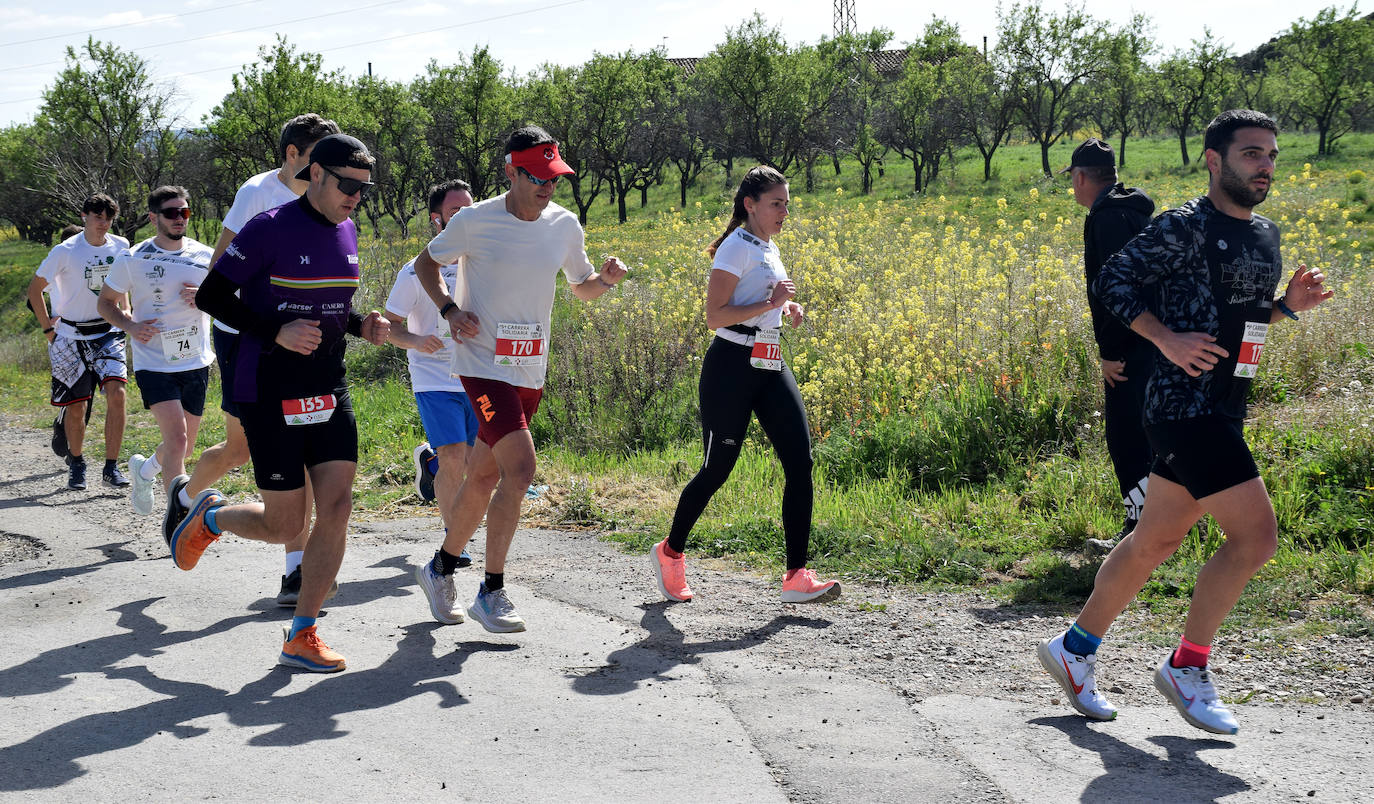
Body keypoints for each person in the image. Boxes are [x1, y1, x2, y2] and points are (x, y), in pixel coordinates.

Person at [1037, 110, 1333, 735]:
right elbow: (1111, 282)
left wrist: (1286, 307)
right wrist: (1164, 338)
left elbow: (1244, 318)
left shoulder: (1266, 234)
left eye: (1272, 155)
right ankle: (1187, 665)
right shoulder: (1183, 227)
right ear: (1214, 159)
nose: (1265, 166)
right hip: (1183, 405)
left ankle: (1074, 650)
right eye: (1252, 154)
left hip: (1225, 404)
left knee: (1155, 540)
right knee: (1256, 539)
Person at [171, 133, 390, 672]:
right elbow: (212, 296)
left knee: (337, 507)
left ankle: (303, 633)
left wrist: (366, 325)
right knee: (286, 526)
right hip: (269, 388)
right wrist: (277, 330)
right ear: (314, 173)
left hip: (328, 386)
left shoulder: (346, 230)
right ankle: (211, 519)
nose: (356, 197)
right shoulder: (268, 228)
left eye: (364, 189)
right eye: (347, 185)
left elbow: (335, 307)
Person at [410, 125, 627, 632]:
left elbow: (582, 287)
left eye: (556, 177)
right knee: (522, 470)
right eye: (538, 176)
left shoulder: (564, 225)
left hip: (530, 365)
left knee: (485, 476)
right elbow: (426, 262)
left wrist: (607, 281)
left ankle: (439, 568)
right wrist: (448, 307)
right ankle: (493, 589)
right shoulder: (473, 221)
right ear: (511, 172)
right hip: (483, 365)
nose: (549, 187)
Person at [650, 166, 840, 606]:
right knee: (718, 468)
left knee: (800, 460)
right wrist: (770, 302)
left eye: (788, 204)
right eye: (777, 203)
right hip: (731, 364)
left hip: (769, 360)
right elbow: (715, 316)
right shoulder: (734, 248)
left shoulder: (768, 246)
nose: (785, 212)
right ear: (750, 204)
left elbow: (763, 301)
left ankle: (796, 575)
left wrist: (784, 309)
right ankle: (670, 551)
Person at [180, 113, 341, 607]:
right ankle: (190, 502)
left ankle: (296, 572)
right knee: (239, 451)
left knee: (306, 454)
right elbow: (219, 275)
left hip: (304, 349)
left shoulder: (334, 204)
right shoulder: (259, 194)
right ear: (293, 156)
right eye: (317, 158)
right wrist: (271, 326)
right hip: (246, 341)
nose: (324, 170)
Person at [385, 180, 478, 603]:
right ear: (436, 219)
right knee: (455, 458)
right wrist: (415, 341)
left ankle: (429, 461)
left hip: (478, 375)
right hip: (434, 379)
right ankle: (451, 540)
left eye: (470, 210)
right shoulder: (414, 271)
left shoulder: (483, 263)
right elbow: (389, 326)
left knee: (476, 464)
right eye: (455, 211)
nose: (464, 217)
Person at [96, 186, 214, 518]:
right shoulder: (133, 258)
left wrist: (205, 297)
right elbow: (105, 303)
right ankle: (176, 521)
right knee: (177, 439)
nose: (180, 218)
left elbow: (231, 300)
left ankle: (145, 471)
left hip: (196, 359)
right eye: (172, 213)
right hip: (153, 362)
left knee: (186, 446)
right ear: (153, 218)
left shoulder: (206, 256)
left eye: (185, 212)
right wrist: (130, 326)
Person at [1063, 138, 1157, 553]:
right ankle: (1170, 526)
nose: (1073, 187)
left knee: (1127, 436)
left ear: (1081, 177)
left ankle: (1139, 533)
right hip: (1157, 341)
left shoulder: (1107, 218)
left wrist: (1111, 352)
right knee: (1154, 433)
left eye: (1072, 179)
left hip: (1132, 348)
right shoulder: (1134, 211)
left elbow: (1115, 291)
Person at [27, 193, 132, 491]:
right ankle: (77, 463)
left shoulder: (121, 245)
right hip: (70, 334)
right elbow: (34, 291)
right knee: (76, 406)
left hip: (107, 332)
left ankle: (111, 467)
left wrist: (126, 309)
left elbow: (123, 280)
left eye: (108, 218)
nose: (103, 224)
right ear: (85, 216)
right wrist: (49, 330)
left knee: (118, 394)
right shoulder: (65, 251)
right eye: (98, 217)